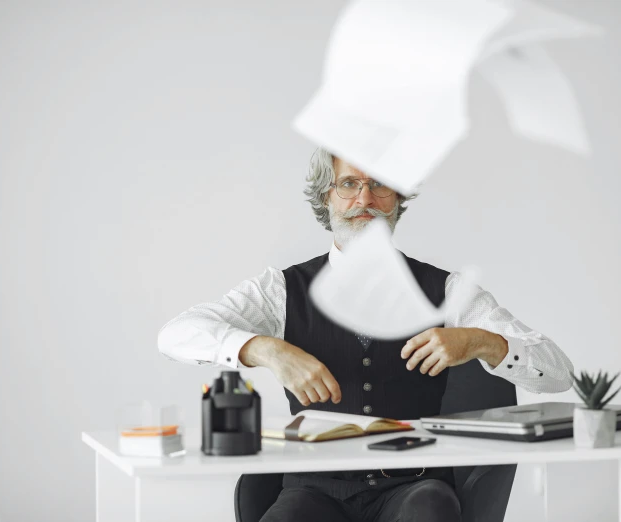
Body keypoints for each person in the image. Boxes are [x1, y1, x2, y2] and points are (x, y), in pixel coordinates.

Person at [158, 148, 575, 522]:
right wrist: (264, 348)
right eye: (349, 184)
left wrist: (481, 341)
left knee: (431, 509)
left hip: (415, 487)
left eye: (380, 186)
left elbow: (558, 373)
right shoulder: (281, 291)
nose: (365, 200)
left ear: (396, 200)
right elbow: (176, 334)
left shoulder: (448, 291)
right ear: (327, 196)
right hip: (314, 489)